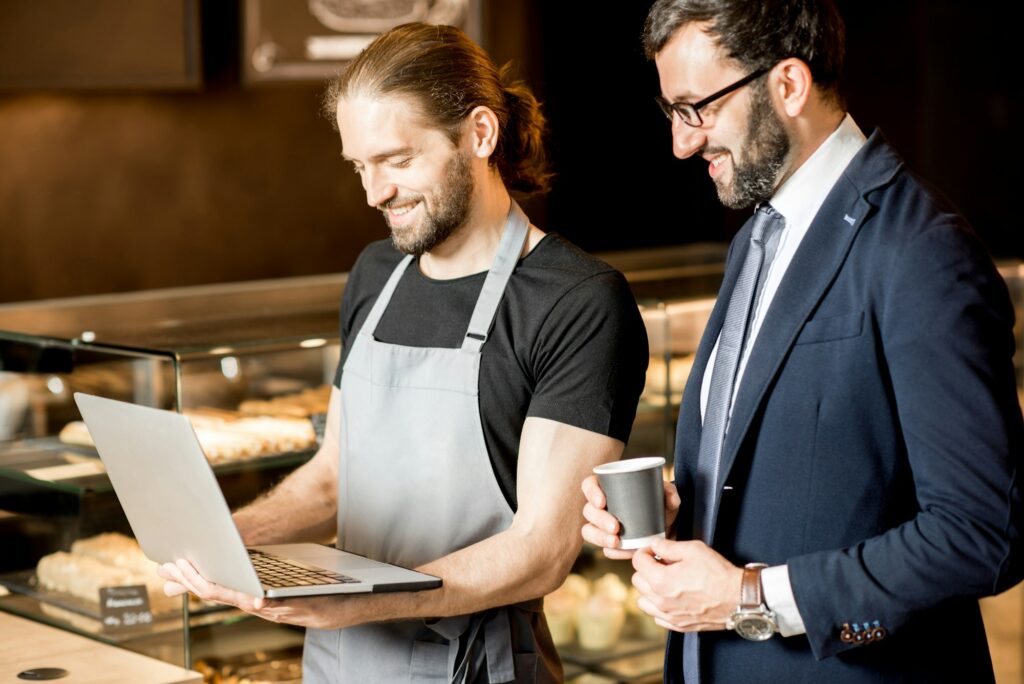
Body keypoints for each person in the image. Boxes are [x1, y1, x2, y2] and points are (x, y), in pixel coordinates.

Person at [158, 22, 648, 683]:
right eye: (360, 166)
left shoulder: (577, 302)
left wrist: (355, 601)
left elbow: (542, 550)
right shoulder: (374, 275)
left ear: (479, 134)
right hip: (338, 661)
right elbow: (335, 477)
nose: (373, 193)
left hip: (471, 664)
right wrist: (226, 539)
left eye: (396, 160)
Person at [581, 1, 1024, 682]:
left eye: (696, 108)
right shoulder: (756, 238)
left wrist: (749, 598)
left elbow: (981, 535)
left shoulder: (921, 250)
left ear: (788, 85)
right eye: (671, 111)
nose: (681, 142)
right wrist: (679, 513)